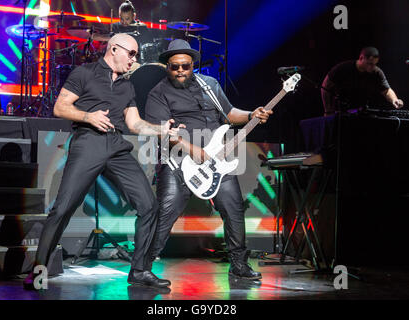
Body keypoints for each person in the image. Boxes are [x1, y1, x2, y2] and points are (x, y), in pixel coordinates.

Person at [24, 33, 179, 290]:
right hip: (89, 141)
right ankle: (38, 271)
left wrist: (162, 130)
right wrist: (88, 116)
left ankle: (139, 270)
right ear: (114, 49)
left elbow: (134, 123)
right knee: (62, 208)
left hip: (117, 146)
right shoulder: (84, 73)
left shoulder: (128, 86)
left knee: (149, 204)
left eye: (136, 55)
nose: (134, 60)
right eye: (131, 54)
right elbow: (60, 107)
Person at [144, 39, 272, 280]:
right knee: (165, 213)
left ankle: (238, 264)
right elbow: (163, 133)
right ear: (167, 66)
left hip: (216, 161)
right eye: (175, 66)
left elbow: (230, 113)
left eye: (186, 66)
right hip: (178, 163)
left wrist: (251, 114)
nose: (180, 70)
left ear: (193, 65)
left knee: (233, 209)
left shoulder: (209, 84)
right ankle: (143, 266)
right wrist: (192, 149)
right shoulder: (158, 93)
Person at [321, 46, 404, 116]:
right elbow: (325, 86)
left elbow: (386, 90)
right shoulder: (343, 68)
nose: (372, 67)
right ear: (361, 58)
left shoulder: (376, 72)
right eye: (370, 64)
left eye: (375, 64)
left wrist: (394, 99)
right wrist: (328, 110)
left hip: (360, 112)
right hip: (341, 112)